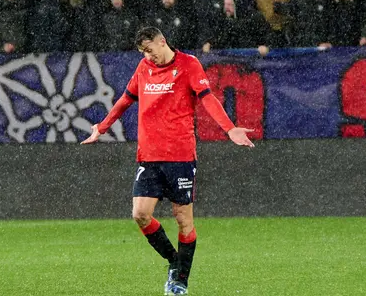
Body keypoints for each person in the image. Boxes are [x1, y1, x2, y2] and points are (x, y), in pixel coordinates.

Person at [81, 27, 255, 295]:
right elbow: (125, 100)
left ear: (163, 42)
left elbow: (208, 99)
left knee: (183, 220)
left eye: (150, 50)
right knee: (140, 214)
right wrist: (102, 127)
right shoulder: (143, 67)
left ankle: (180, 281)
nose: (149, 56)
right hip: (149, 156)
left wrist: (229, 128)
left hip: (180, 156)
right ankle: (175, 261)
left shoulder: (189, 64)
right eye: (144, 53)